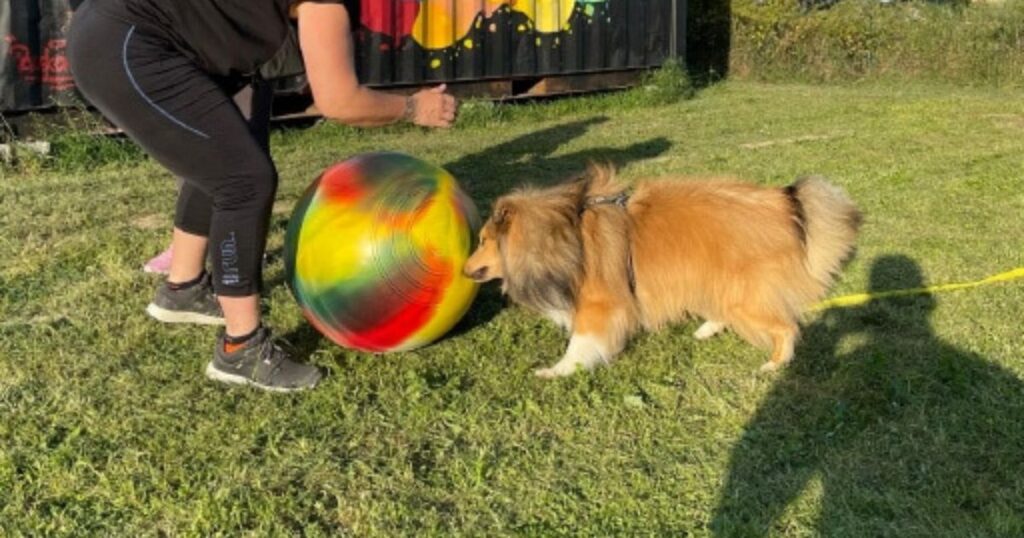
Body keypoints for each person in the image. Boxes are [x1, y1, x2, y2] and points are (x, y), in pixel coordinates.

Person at [67, 0, 457, 392]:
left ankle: (183, 289)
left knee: (227, 157)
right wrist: (413, 107)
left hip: (116, 33)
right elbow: (340, 101)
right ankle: (241, 349)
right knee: (245, 181)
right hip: (127, 44)